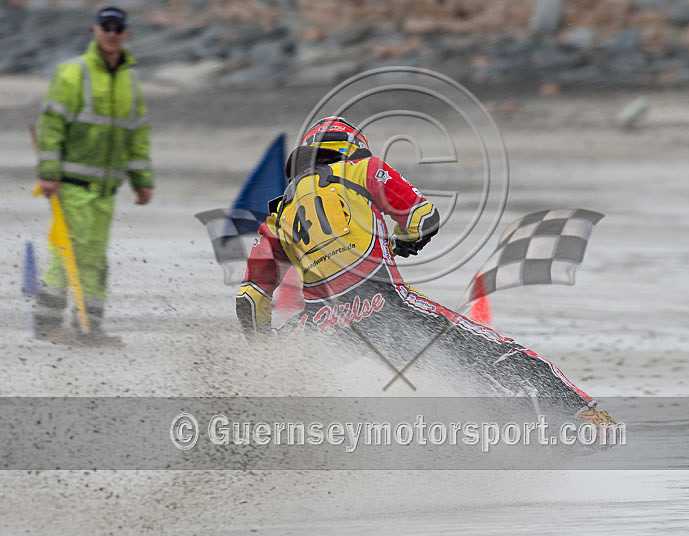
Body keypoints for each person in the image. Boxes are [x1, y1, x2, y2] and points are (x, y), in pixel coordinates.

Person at [237, 116, 613, 424]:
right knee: (486, 355)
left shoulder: (276, 219)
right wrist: (405, 240)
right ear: (350, 148)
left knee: (287, 390)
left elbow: (250, 301)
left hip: (320, 327)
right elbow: (423, 216)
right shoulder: (362, 170)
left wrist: (265, 350)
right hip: (383, 303)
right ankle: (580, 415)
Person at [34, 6, 152, 346]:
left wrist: (141, 179)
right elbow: (51, 125)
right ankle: (47, 324)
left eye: (117, 28)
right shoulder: (73, 73)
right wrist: (48, 173)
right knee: (67, 252)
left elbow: (136, 133)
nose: (111, 33)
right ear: (95, 31)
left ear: (126, 33)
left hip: (105, 189)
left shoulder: (130, 79)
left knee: (95, 259)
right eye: (106, 27)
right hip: (70, 185)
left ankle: (89, 328)